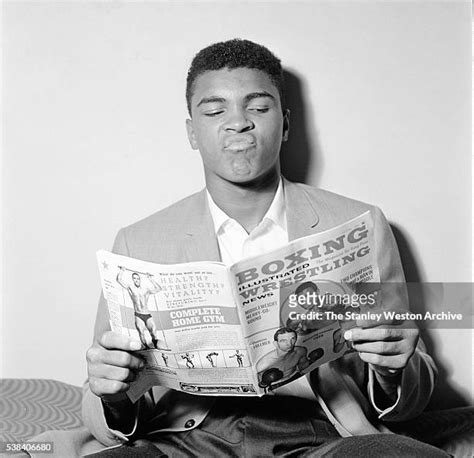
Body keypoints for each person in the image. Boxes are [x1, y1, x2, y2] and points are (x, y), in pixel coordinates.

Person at [78, 38, 445, 456]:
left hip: (320, 433)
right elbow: (100, 393)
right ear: (192, 132)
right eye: (215, 111)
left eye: (258, 107)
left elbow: (414, 388)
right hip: (187, 438)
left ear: (286, 124)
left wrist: (393, 370)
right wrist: (112, 394)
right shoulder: (138, 241)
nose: (238, 123)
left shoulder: (361, 224)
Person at [116, 267, 165, 350]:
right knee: (141, 332)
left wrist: (151, 279)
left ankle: (155, 344)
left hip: (147, 314)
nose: (136, 280)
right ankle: (146, 347)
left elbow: (159, 289)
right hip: (138, 314)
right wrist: (122, 271)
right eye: (134, 278)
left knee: (153, 332)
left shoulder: (146, 289)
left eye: (138, 278)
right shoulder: (130, 288)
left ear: (140, 279)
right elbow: (119, 280)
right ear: (133, 279)